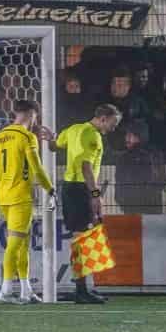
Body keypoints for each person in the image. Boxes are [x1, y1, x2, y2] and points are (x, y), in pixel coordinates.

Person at [55, 103, 121, 304]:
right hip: (80, 189)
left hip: (71, 187)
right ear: (103, 118)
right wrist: (95, 194)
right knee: (81, 240)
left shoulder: (74, 129)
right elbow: (86, 166)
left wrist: (51, 138)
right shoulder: (92, 135)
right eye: (113, 123)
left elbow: (54, 145)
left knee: (86, 239)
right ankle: (81, 291)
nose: (114, 128)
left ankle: (84, 287)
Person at [0, 99, 48, 303]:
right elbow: (36, 167)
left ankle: (26, 290)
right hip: (20, 197)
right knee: (14, 244)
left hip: (3, 196)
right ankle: (5, 291)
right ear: (32, 114)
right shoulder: (27, 137)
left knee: (22, 244)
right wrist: (50, 189)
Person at [111, 123, 166, 215]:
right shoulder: (155, 154)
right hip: (149, 206)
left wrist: (121, 200)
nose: (127, 138)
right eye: (127, 135)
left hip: (135, 206)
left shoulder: (125, 157)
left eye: (131, 135)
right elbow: (162, 182)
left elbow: (120, 182)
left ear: (140, 136)